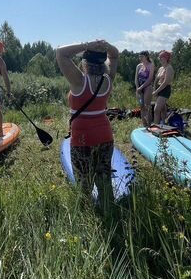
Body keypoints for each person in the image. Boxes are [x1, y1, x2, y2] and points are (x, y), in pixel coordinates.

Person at [56, 39, 119, 208]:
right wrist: (107, 46)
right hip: (105, 136)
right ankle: (109, 213)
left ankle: (88, 217)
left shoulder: (79, 81)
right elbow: (115, 56)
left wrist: (87, 45)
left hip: (82, 139)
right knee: (104, 179)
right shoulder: (108, 80)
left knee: (84, 185)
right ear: (102, 62)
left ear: (85, 63)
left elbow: (61, 53)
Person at [152, 50, 174, 126]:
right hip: (158, 88)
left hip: (165, 90)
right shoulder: (161, 68)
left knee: (156, 109)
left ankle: (155, 126)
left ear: (166, 58)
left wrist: (156, 91)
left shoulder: (169, 68)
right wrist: (154, 89)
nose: (160, 59)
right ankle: (163, 124)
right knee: (162, 109)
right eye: (160, 58)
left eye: (162, 58)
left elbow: (165, 82)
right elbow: (156, 79)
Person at [134, 51, 155, 127]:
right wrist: (137, 88)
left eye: (142, 57)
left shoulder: (151, 65)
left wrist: (141, 87)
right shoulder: (138, 66)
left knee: (147, 106)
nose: (140, 58)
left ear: (146, 57)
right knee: (141, 106)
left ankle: (149, 124)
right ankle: (144, 124)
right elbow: (136, 78)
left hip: (147, 87)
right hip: (139, 88)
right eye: (139, 57)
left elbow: (150, 78)